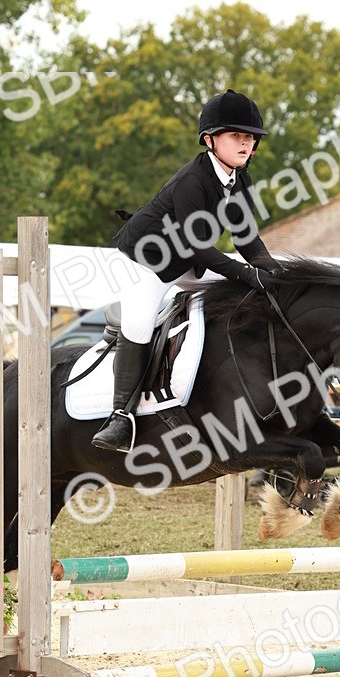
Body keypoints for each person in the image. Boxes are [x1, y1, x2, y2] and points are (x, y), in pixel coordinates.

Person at [92, 89, 282, 452]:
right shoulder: (192, 181)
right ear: (210, 140)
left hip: (188, 263)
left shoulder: (240, 180)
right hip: (145, 263)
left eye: (250, 138)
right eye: (236, 136)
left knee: (246, 295)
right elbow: (200, 246)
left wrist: (274, 275)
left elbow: (246, 239)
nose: (245, 144)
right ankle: (120, 417)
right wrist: (247, 275)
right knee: (139, 324)